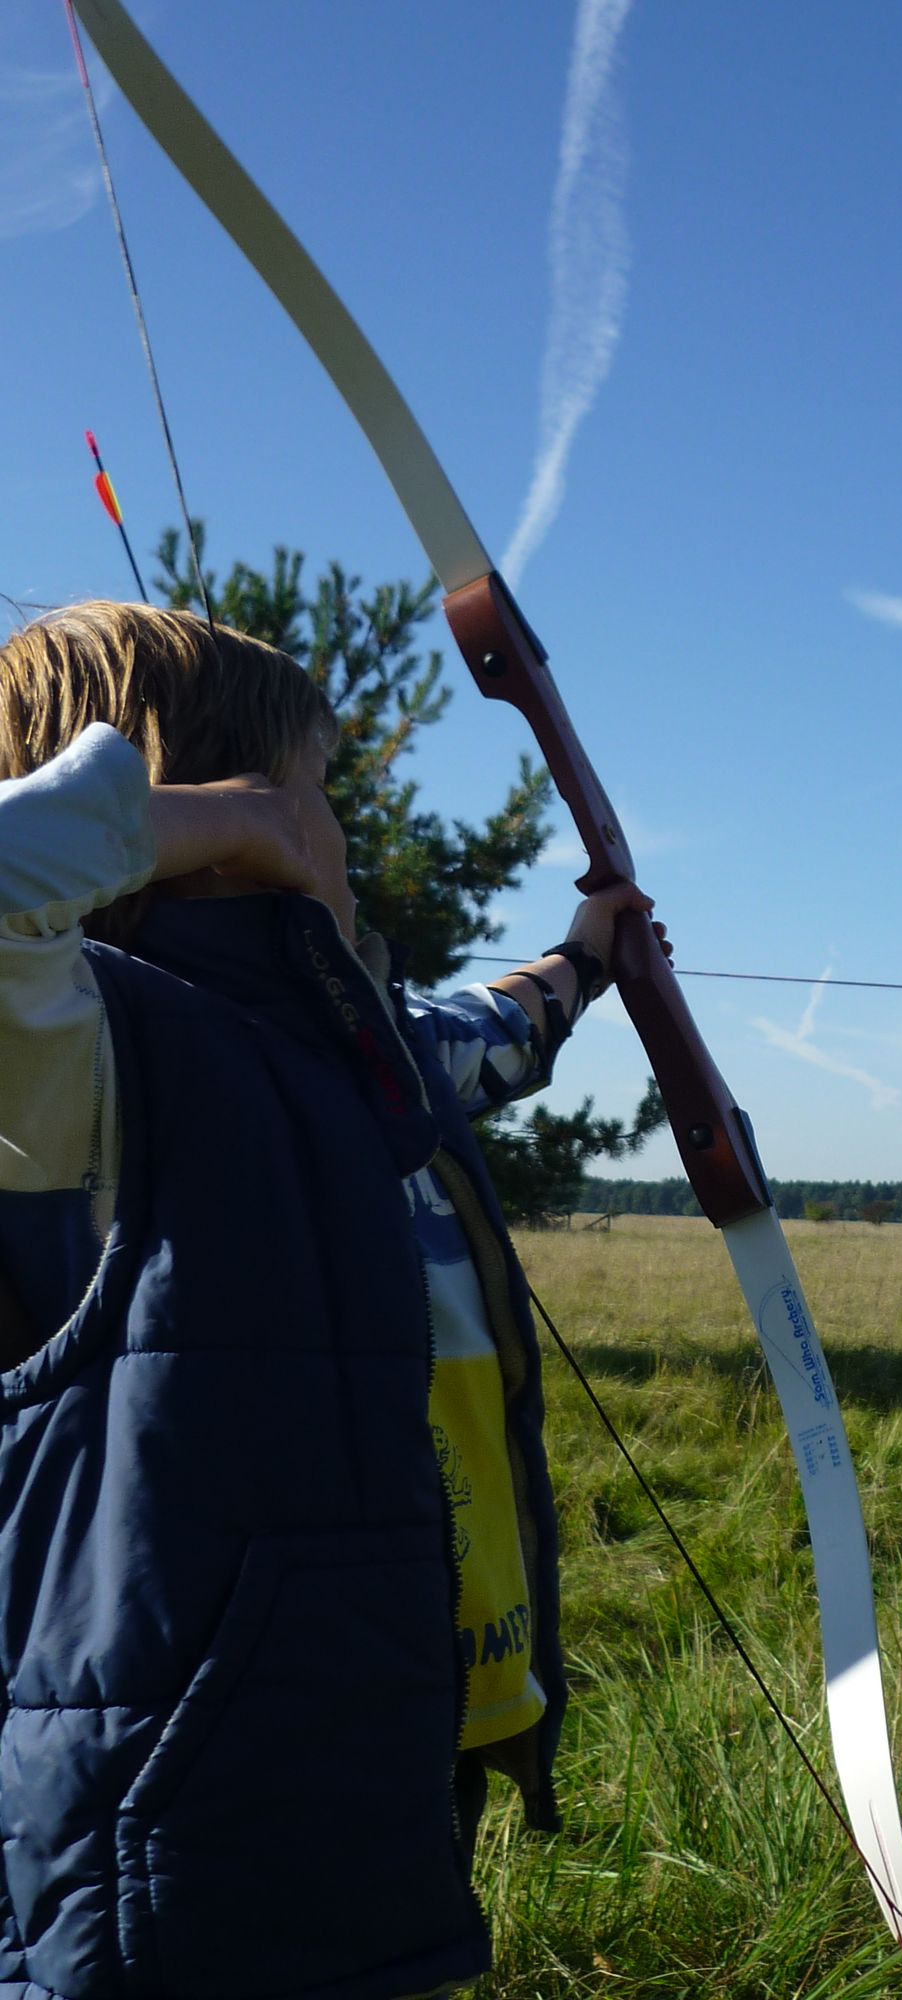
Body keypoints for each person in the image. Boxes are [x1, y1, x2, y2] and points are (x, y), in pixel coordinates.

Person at [0, 601, 668, 2000]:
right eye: (315, 790)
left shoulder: (344, 1055)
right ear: (225, 804)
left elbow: (475, 1042)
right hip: (155, 1866)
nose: (336, 831)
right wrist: (198, 818)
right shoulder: (73, 1049)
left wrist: (584, 961)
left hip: (346, 1793)